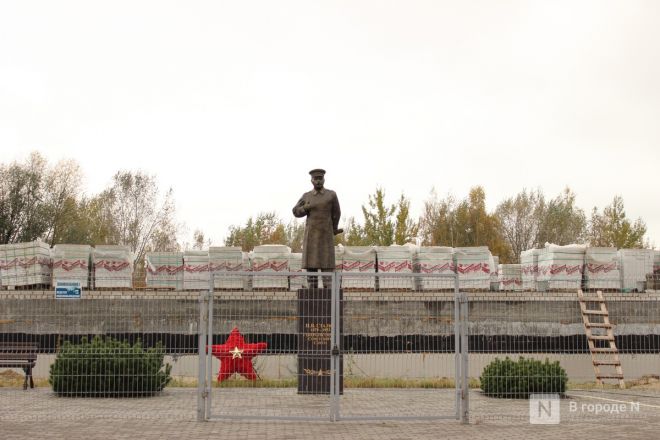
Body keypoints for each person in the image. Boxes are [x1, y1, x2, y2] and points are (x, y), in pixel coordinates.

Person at [292, 169, 342, 289]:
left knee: (327, 269)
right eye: (316, 179)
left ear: (324, 179)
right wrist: (305, 208)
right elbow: (295, 211)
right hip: (312, 237)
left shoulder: (331, 195)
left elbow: (337, 213)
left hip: (326, 237)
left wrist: (334, 228)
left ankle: (330, 297)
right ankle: (312, 296)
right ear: (311, 180)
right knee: (311, 271)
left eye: (320, 178)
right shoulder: (307, 196)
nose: (318, 181)